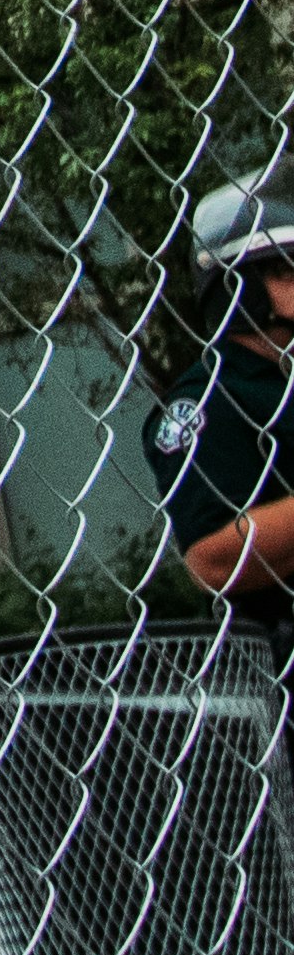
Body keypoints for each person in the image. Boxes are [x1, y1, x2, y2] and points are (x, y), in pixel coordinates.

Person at [153, 183, 294, 633]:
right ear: (241, 288)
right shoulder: (206, 399)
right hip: (280, 669)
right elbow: (213, 562)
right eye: (287, 271)